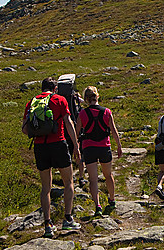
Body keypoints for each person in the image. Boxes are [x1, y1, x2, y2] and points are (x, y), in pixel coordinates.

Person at [22, 77, 81, 237]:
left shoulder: (32, 102)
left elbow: (25, 130)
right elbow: (69, 122)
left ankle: (48, 224)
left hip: (40, 146)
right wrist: (76, 146)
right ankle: (67, 219)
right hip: (58, 144)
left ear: (42, 88)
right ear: (55, 88)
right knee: (68, 182)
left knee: (45, 187)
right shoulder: (60, 100)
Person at [76, 86, 122, 217]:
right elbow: (113, 130)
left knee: (93, 180)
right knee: (108, 175)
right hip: (104, 146)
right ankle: (112, 200)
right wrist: (119, 145)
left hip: (89, 148)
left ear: (86, 99)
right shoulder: (107, 112)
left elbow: (77, 132)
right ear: (97, 96)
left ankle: (97, 206)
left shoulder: (82, 114)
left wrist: (76, 148)